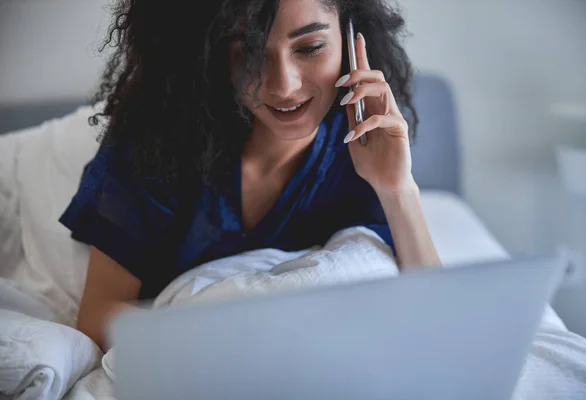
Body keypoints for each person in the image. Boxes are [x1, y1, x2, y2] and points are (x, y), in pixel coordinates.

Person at [60, 0, 441, 351]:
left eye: (309, 48)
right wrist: (242, 347)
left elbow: (438, 316)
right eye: (250, 53)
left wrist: (397, 188)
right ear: (212, 51)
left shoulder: (358, 146)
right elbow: (97, 317)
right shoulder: (157, 143)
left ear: (350, 38)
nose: (284, 86)